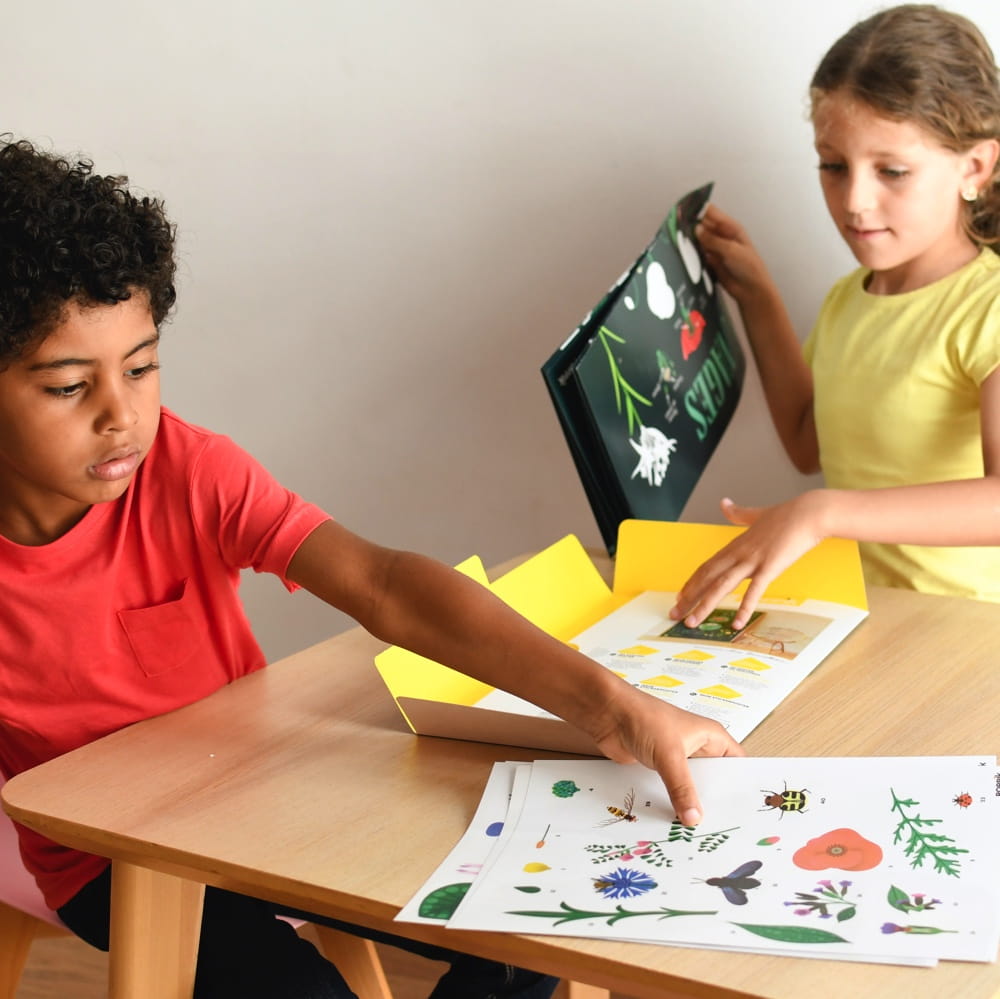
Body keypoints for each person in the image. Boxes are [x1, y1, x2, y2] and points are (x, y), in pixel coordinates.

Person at [0, 136, 742, 999]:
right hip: (109, 861)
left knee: (534, 923)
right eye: (68, 387)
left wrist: (615, 706)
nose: (122, 416)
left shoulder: (189, 471)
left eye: (142, 367)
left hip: (258, 793)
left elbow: (385, 585)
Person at [670, 3, 1000, 632]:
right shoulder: (849, 297)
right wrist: (758, 297)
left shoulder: (989, 309)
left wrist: (821, 513)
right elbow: (807, 442)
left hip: (964, 638)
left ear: (975, 168)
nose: (854, 201)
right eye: (833, 165)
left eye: (892, 171)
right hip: (859, 622)